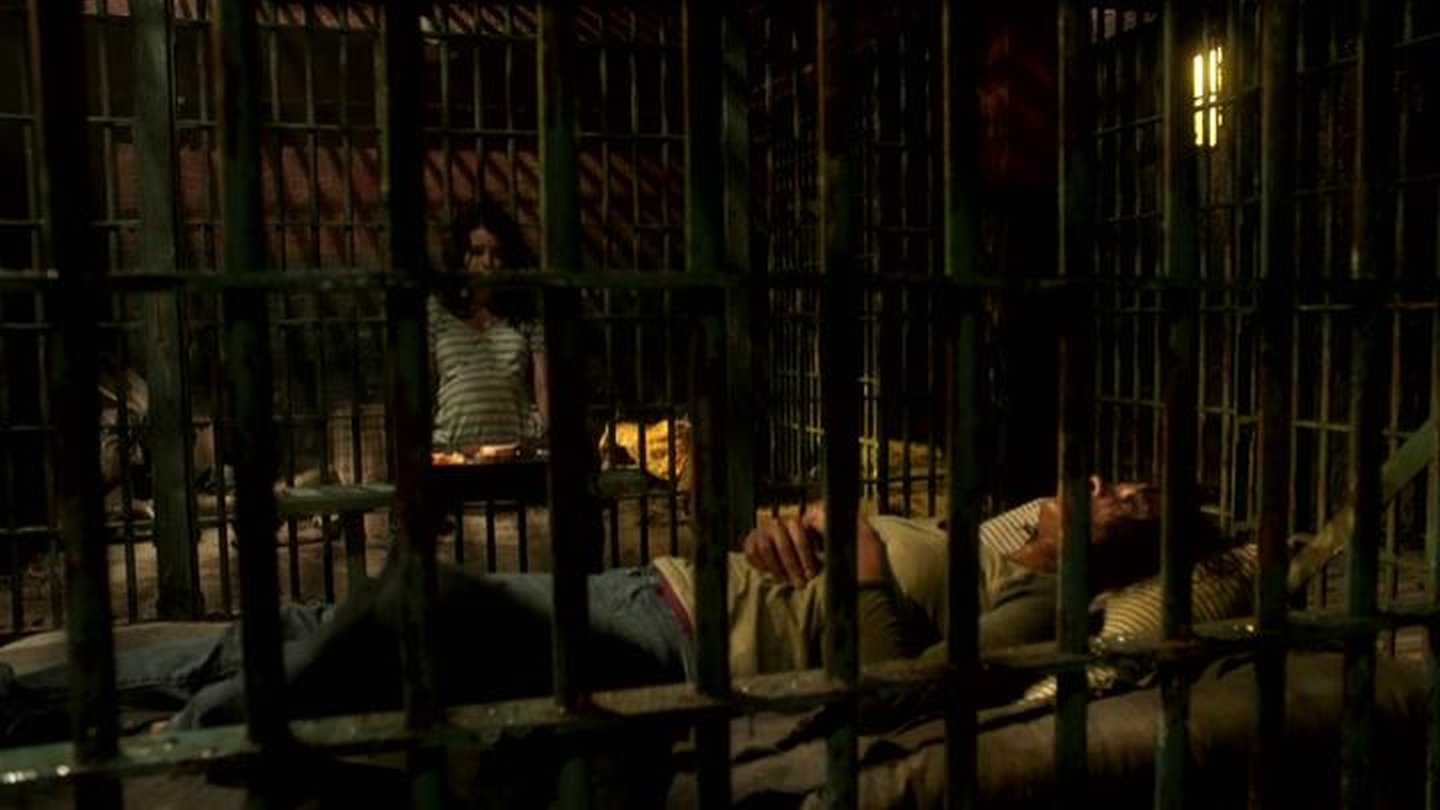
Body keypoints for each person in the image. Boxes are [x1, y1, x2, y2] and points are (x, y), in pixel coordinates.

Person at [0, 476, 1174, 743]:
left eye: (1125, 495)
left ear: (1127, 543)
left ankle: (194, 731)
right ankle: (29, 702)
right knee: (313, 621)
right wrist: (795, 526)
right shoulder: (987, 539)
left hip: (672, 640)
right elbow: (822, 562)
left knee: (415, 605)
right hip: (662, 586)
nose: (1099, 486)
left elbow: (898, 691)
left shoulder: (1041, 611)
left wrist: (860, 560)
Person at [430, 202, 548, 453]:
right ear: (461, 256)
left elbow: (543, 384)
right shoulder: (439, 310)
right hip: (452, 453)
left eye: (496, 253)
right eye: (477, 252)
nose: (488, 262)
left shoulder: (523, 311)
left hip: (516, 452)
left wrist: (549, 441)